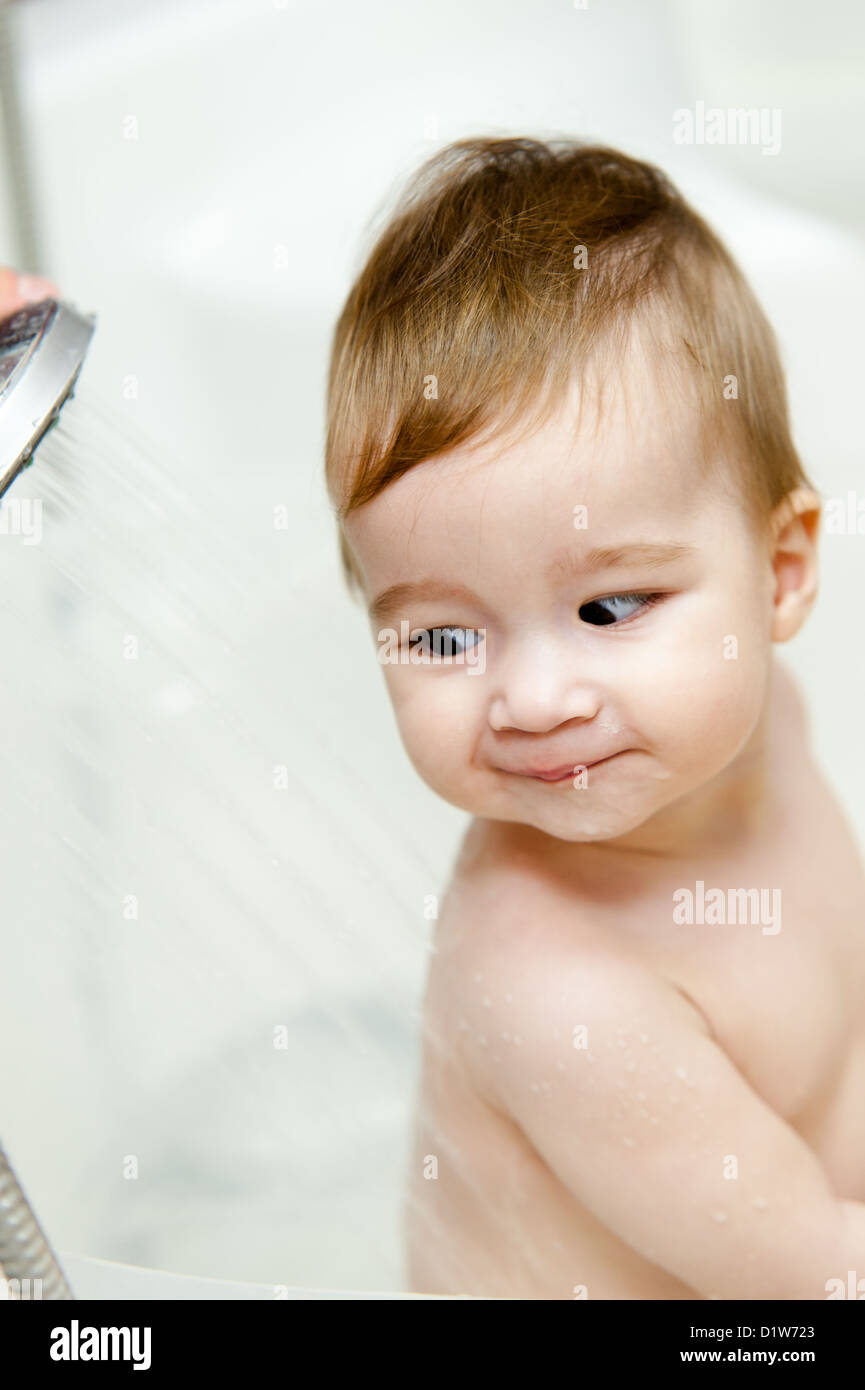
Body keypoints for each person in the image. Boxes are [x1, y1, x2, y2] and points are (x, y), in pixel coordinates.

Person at [324, 136, 865, 1299]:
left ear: (778, 573)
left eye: (608, 605)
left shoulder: (766, 725)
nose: (531, 701)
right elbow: (814, 1276)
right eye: (442, 637)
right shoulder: (552, 984)